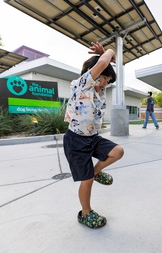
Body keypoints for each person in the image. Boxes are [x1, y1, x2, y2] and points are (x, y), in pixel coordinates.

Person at [63, 42, 124, 228]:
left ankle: (96, 172)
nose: (105, 83)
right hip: (75, 140)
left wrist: (106, 56)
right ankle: (85, 213)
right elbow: (107, 60)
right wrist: (108, 52)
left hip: (92, 137)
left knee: (118, 151)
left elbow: (111, 62)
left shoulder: (100, 89)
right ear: (93, 72)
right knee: (86, 180)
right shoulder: (83, 84)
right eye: (104, 78)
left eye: (107, 81)